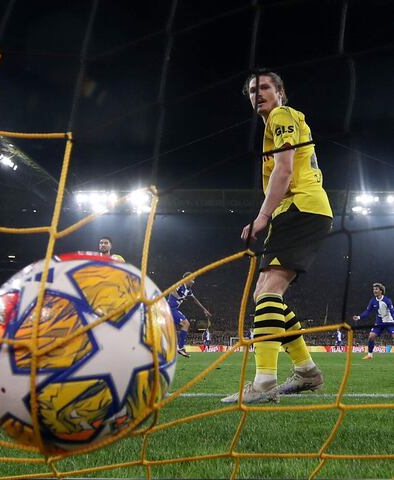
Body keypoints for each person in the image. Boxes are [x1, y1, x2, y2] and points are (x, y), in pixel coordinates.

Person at [222, 71, 332, 404]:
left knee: (268, 291)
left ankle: (265, 382)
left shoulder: (282, 116)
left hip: (300, 208)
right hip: (300, 210)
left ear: (280, 91)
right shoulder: (278, 122)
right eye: (252, 90)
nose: (258, 94)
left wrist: (262, 217)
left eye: (265, 87)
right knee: (266, 294)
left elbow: (284, 170)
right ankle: (307, 371)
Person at [167, 272, 212, 358]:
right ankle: (180, 348)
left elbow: (195, 300)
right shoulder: (180, 284)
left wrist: (204, 309)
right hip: (169, 309)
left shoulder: (188, 290)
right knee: (186, 324)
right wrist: (179, 297)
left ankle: (179, 348)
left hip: (173, 309)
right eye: (192, 279)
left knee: (184, 324)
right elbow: (172, 290)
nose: (193, 282)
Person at [352, 283, 394, 360]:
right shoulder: (373, 301)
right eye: (374, 289)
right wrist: (359, 317)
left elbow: (392, 311)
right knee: (371, 336)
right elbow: (368, 311)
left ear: (381, 291)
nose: (374, 291)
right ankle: (370, 355)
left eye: (376, 289)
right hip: (379, 323)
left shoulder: (387, 300)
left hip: (390, 322)